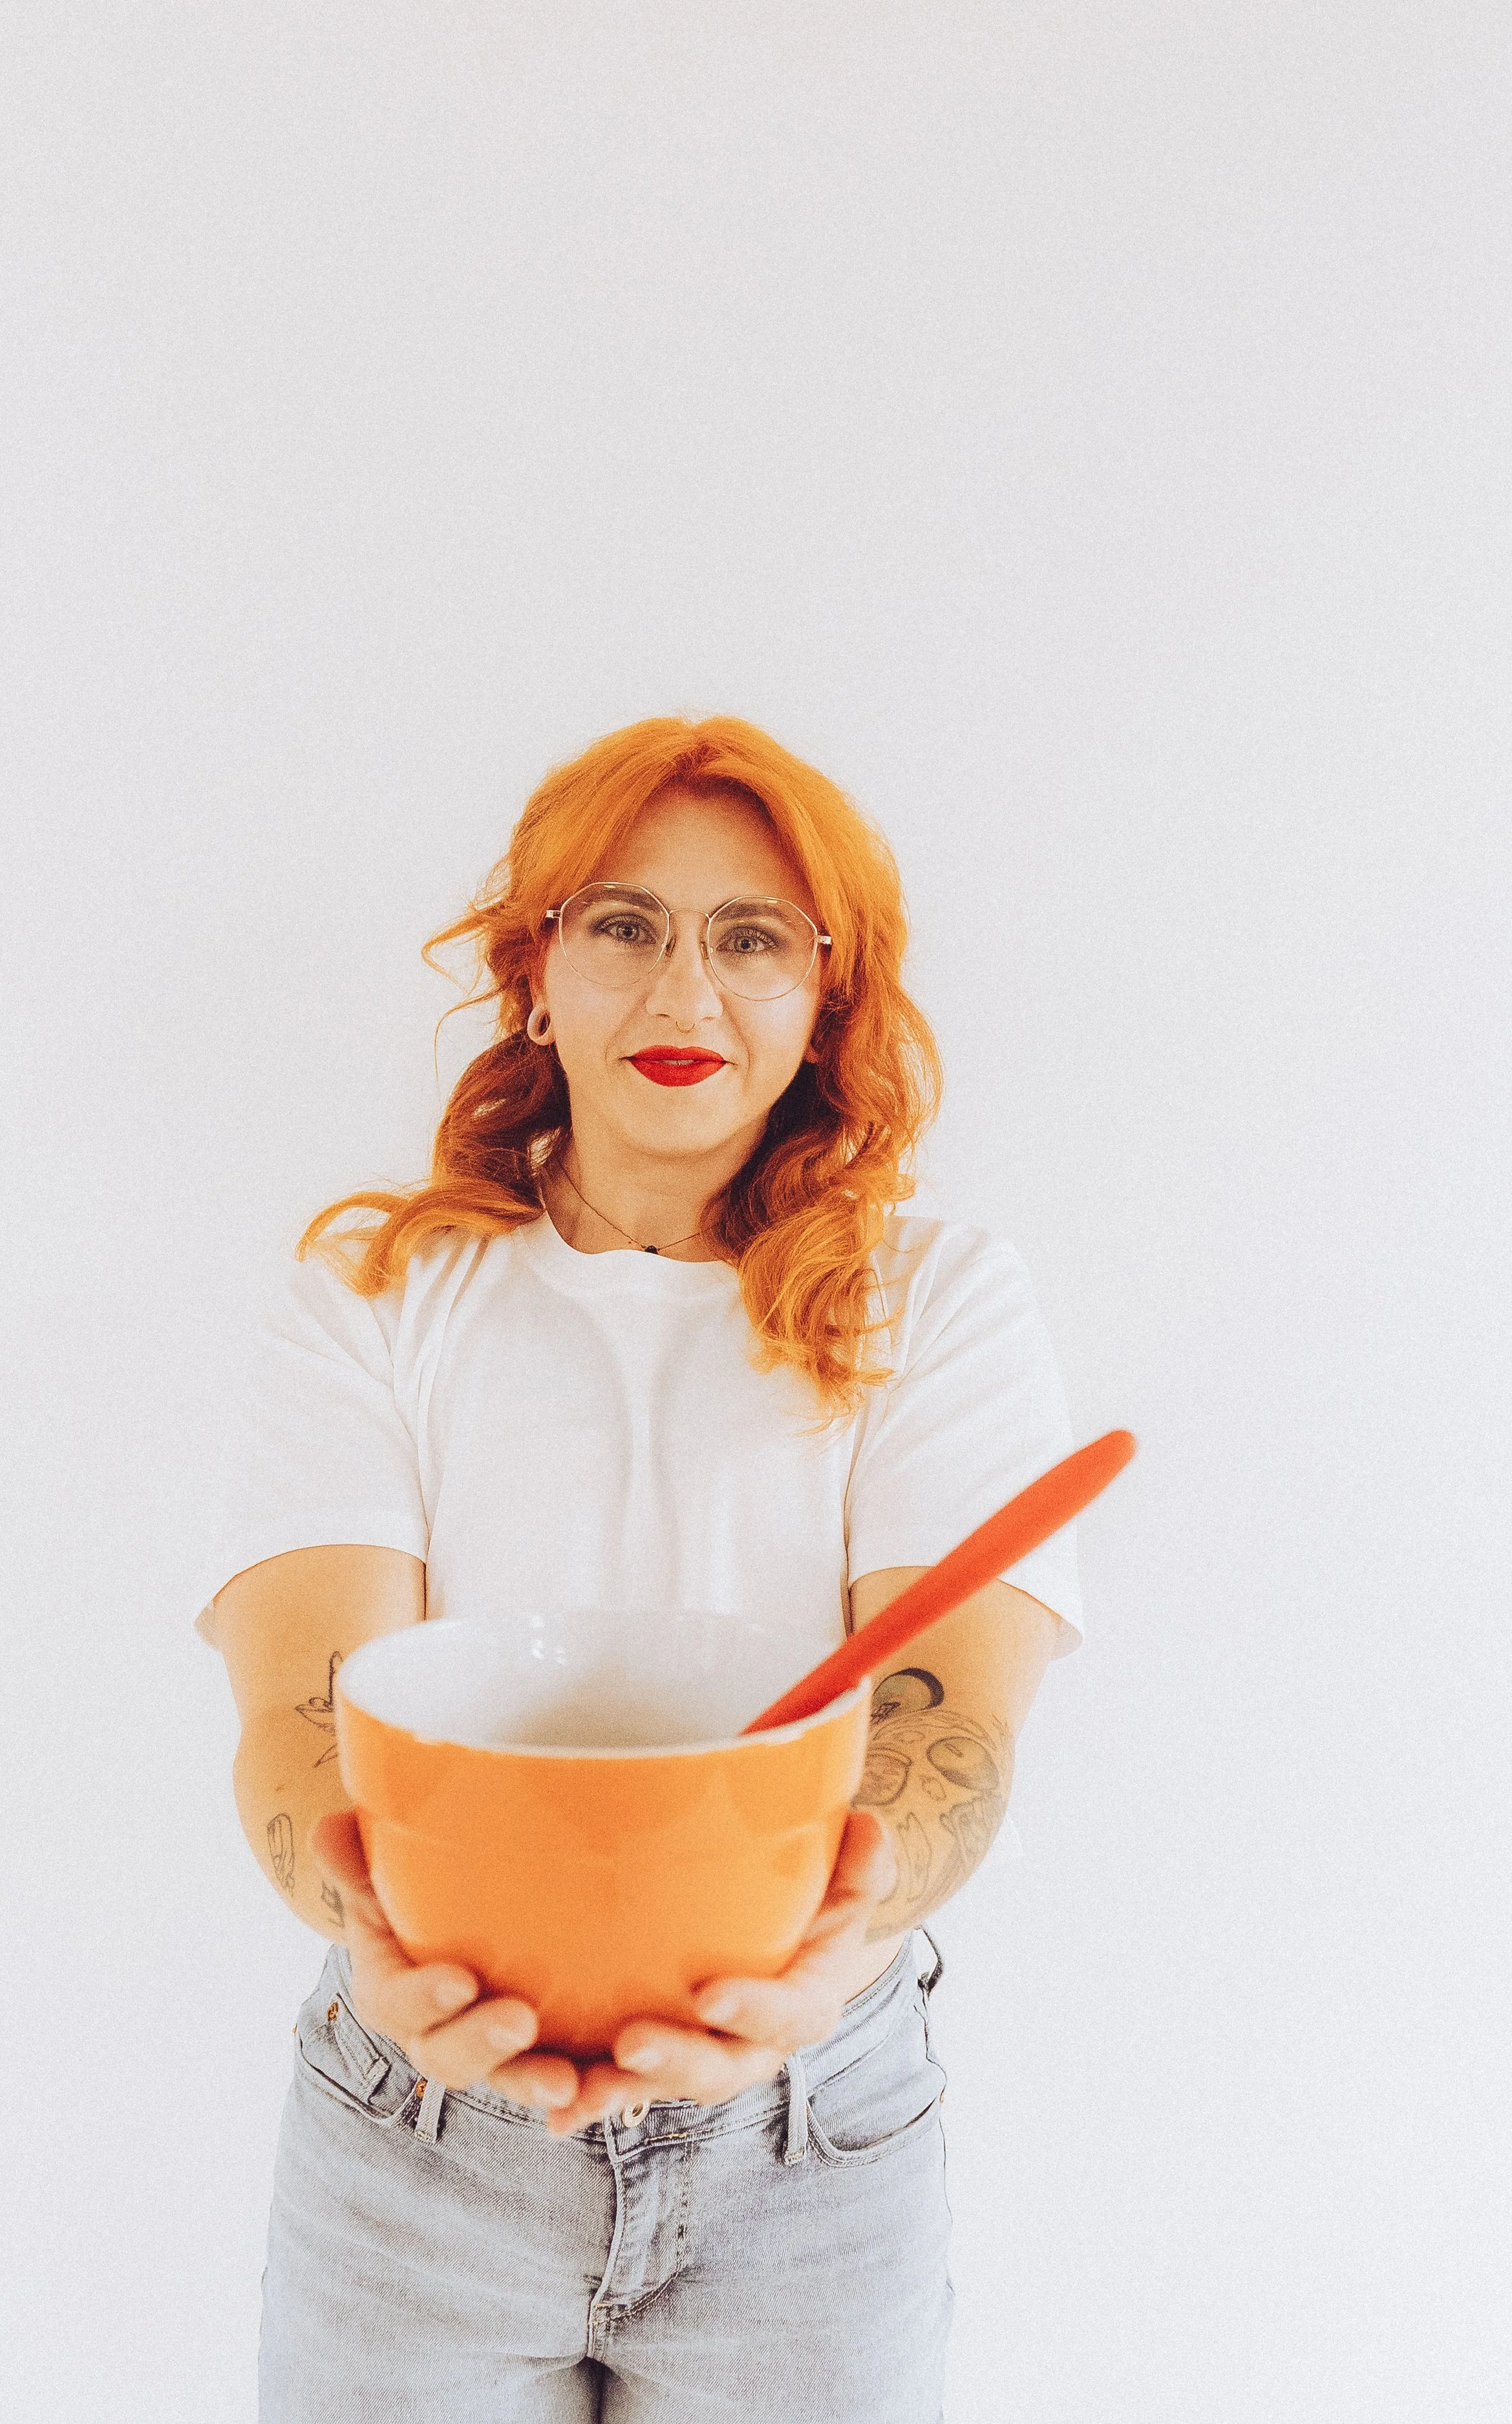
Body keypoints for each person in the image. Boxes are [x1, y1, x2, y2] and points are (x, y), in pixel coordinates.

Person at [196, 714, 1084, 2423]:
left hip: (811, 2121)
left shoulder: (937, 1299)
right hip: (423, 2115)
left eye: (752, 937)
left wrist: (822, 1951)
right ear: (534, 973)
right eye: (622, 924)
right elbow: (305, 1707)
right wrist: (372, 1938)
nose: (685, 992)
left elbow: (948, 1718)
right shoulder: (370, 1297)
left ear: (828, 995)